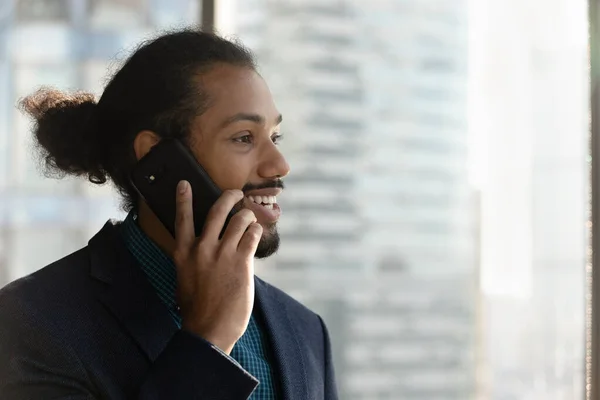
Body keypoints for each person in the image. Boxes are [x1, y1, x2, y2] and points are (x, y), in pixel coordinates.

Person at [0, 29, 338, 400]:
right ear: (157, 159)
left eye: (274, 137)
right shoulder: (29, 324)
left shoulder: (305, 331)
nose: (280, 165)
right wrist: (207, 340)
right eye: (243, 137)